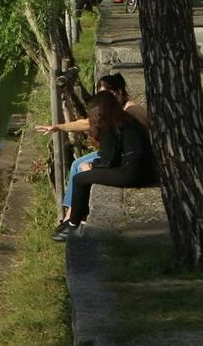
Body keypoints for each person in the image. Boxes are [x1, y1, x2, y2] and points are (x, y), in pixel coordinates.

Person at [51, 92, 157, 239]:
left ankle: (73, 225)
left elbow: (108, 161)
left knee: (80, 179)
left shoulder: (109, 127)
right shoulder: (126, 120)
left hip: (132, 174)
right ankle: (75, 219)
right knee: (85, 176)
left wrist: (92, 166)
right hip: (146, 171)